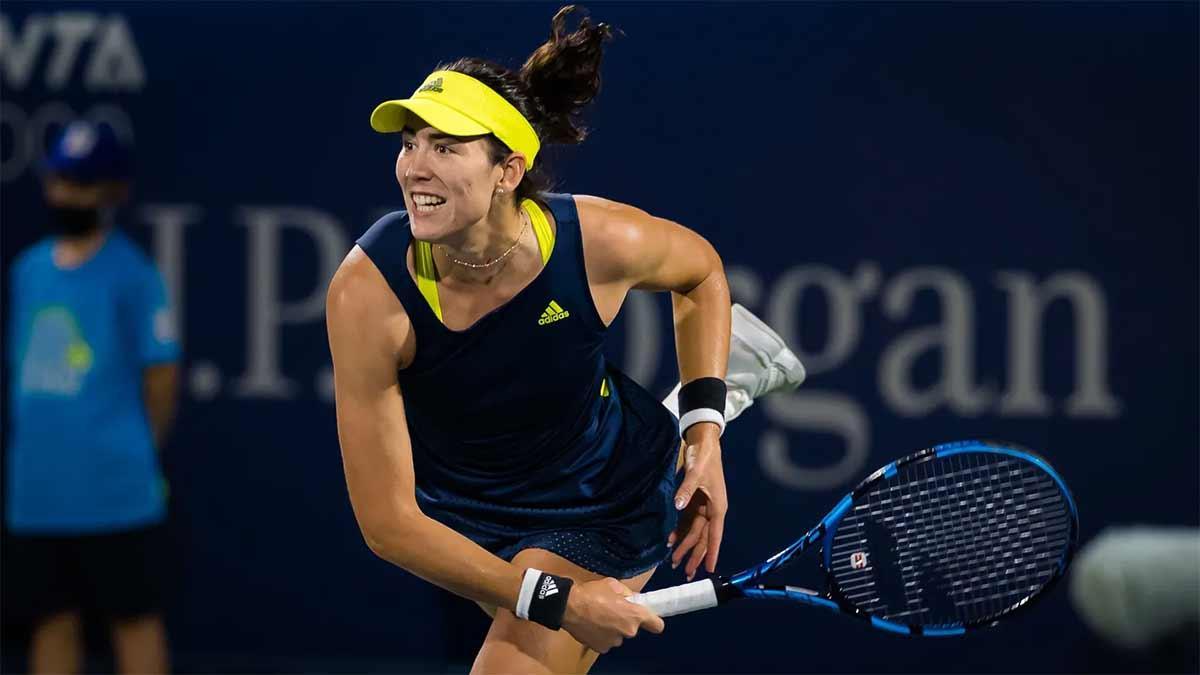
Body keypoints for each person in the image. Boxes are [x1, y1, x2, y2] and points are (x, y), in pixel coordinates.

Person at [326, 6, 801, 673]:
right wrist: (559, 601)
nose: (414, 167)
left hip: (598, 502)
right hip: (467, 515)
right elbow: (388, 523)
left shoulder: (598, 243)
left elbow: (702, 273)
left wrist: (705, 434)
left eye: (447, 146)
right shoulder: (367, 294)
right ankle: (726, 389)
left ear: (508, 171)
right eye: (410, 142)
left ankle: (691, 422)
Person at [5, 120, 180, 674]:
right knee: (50, 620)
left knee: (133, 620)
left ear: (113, 193)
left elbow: (161, 382)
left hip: (115, 494)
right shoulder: (28, 271)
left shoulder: (135, 275)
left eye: (83, 184)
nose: (68, 195)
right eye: (61, 181)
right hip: (37, 492)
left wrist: (132, 459)